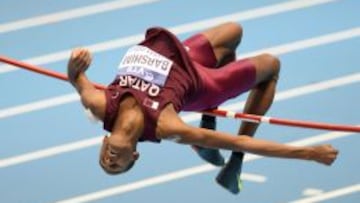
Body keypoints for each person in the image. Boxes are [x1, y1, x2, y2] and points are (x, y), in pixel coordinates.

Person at [67, 22, 338, 192]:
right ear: (135, 156)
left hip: (181, 54)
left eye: (104, 160)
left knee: (234, 31)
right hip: (200, 82)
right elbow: (240, 141)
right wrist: (309, 153)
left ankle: (209, 119)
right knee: (271, 65)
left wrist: (76, 61)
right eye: (115, 166)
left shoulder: (98, 103)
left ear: (104, 143)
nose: (109, 160)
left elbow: (77, 78)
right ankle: (234, 166)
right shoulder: (166, 126)